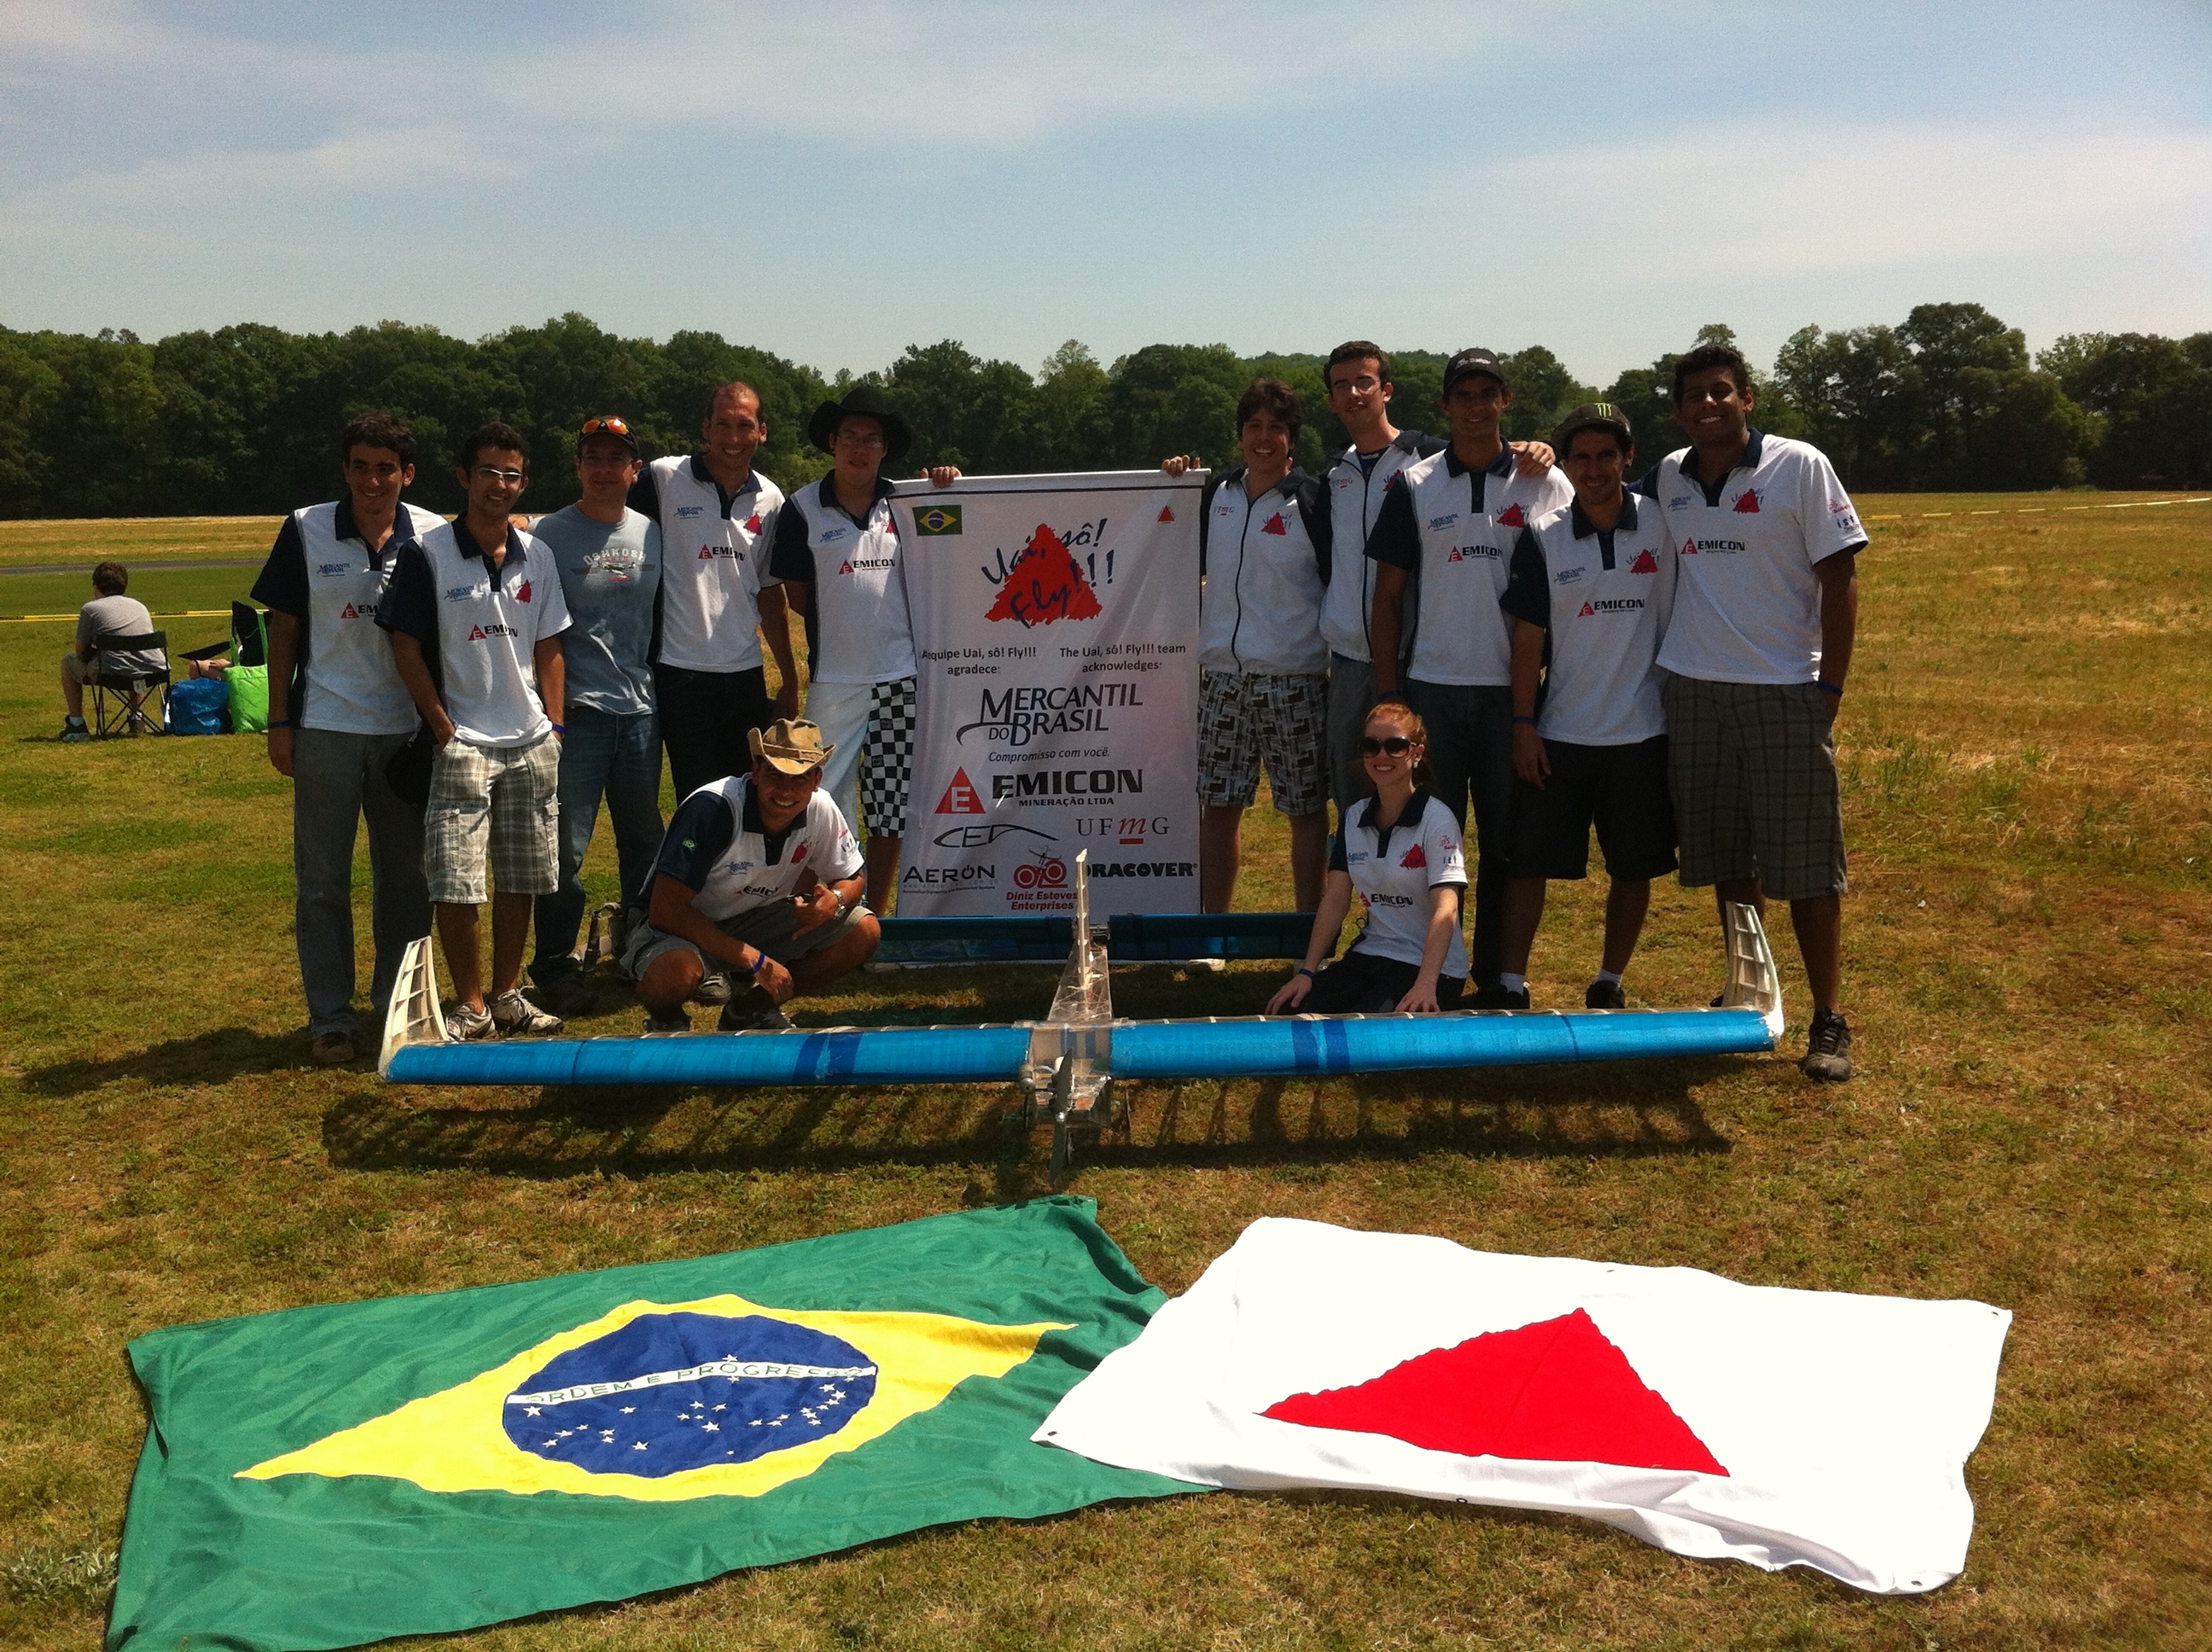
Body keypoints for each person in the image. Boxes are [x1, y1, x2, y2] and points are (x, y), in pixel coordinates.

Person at [1644, 341, 1865, 1081]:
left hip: (1783, 691)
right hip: (1694, 691)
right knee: (1729, 859)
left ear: (1747, 398)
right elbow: (1594, 488)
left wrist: (1827, 690)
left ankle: (1827, 1017)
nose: (1709, 404)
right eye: (1695, 395)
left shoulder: (1799, 465)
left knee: (1806, 867)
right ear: (1678, 411)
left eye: (1722, 391)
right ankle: (1750, 991)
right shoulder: (1668, 477)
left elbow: (1840, 578)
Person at [1365, 348, 1574, 1003]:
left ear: (1505, 402)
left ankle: (1503, 977)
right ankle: (1440, 974)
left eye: (1489, 393)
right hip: (1433, 688)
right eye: (1465, 395)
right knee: (1435, 844)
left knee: (1511, 843)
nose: (1477, 406)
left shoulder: (1545, 479)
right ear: (1445, 407)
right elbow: (1388, 597)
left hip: (1514, 695)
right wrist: (1390, 693)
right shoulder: (1417, 485)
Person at [250, 413, 441, 1064]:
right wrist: (279, 722)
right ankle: (329, 1016)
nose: (372, 479)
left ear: (406, 475)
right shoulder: (306, 525)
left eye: (386, 468)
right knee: (323, 881)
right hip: (326, 728)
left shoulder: (435, 533)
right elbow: (282, 628)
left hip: (406, 736)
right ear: (345, 469)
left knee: (407, 883)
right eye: (360, 466)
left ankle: (397, 1008)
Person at [377, 421, 573, 1041]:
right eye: (488, 472)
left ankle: (508, 993)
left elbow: (549, 645)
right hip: (462, 741)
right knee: (456, 879)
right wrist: (443, 729)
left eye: (512, 474)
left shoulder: (536, 553)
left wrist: (556, 725)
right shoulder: (426, 552)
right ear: (464, 478)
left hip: (531, 739)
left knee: (523, 876)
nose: (501, 485)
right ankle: (471, 1006)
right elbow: (405, 647)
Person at [1494, 403, 1679, 1010]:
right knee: (1529, 864)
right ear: (1567, 465)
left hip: (1642, 732)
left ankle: (1609, 979)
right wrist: (1524, 725)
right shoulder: (1544, 536)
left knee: (1633, 866)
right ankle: (1512, 982)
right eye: (1581, 457)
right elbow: (1527, 641)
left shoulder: (1663, 523)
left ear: (1629, 458)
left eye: (1607, 455)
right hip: (1562, 732)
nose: (1595, 468)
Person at [770, 387, 959, 915]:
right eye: (850, 437)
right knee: (814, 800)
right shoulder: (801, 508)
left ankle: (872, 916)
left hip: (901, 678)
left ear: (883, 448)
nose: (860, 448)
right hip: (835, 679)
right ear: (833, 442)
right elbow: (797, 596)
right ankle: (816, 911)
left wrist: (948, 489)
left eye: (871, 440)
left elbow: (958, 546)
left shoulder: (909, 502)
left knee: (890, 808)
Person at [1162, 378, 1333, 913]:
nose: (1264, 439)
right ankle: (1210, 930)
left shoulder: (1313, 500)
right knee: (1218, 809)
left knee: (1304, 812)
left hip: (1294, 680)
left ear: (1291, 438)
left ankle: (1311, 937)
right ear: (1239, 435)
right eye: (1254, 427)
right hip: (1223, 680)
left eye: (1276, 429)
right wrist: (1173, 479)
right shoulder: (1216, 494)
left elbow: (1339, 586)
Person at [524, 416, 665, 1017]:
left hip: (639, 714)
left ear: (636, 469)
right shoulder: (547, 535)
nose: (605, 467)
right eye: (593, 457)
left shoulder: (654, 534)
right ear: (578, 466)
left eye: (618, 458)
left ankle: (639, 946)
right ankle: (553, 965)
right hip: (576, 716)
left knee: (644, 841)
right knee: (564, 849)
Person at [622, 718, 881, 1033]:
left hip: (755, 918)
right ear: (756, 772)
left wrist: (834, 900)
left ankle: (750, 1011)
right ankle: (666, 1018)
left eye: (799, 778)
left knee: (864, 930)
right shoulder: (712, 807)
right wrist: (754, 960)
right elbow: (665, 910)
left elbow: (852, 878)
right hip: (681, 927)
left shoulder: (821, 807)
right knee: (675, 972)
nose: (786, 790)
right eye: (776, 774)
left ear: (816, 779)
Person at [627, 381, 801, 801]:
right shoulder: (663, 478)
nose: (733, 438)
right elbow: (611, 525)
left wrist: (791, 679)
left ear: (762, 431)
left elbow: (768, 594)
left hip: (743, 673)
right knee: (698, 797)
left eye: (744, 426)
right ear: (706, 428)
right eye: (722, 425)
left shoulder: (770, 498)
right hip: (679, 672)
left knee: (747, 796)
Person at [1266, 701, 1467, 1015]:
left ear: (1416, 753)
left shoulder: (1438, 820)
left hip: (1430, 968)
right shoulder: (1352, 817)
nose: (1382, 756)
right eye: (1371, 746)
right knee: (1288, 1013)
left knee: (1366, 1030)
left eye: (1395, 746)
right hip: (1370, 955)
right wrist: (1306, 972)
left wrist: (1426, 983)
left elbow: (1446, 910)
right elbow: (1334, 900)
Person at [1315, 343, 1446, 815]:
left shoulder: (1429, 459)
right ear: (1331, 400)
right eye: (1341, 385)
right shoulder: (1332, 475)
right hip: (1348, 663)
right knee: (1353, 801)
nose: (1353, 392)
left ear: (1386, 390)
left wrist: (1534, 449)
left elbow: (1489, 459)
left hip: (1416, 661)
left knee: (1419, 802)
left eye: (1364, 382)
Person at [57, 562, 165, 742]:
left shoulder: (91, 609)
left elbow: (80, 650)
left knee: (68, 661)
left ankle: (76, 723)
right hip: (151, 671)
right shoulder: (140, 606)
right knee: (132, 659)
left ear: (95, 586)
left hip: (112, 673)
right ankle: (136, 717)